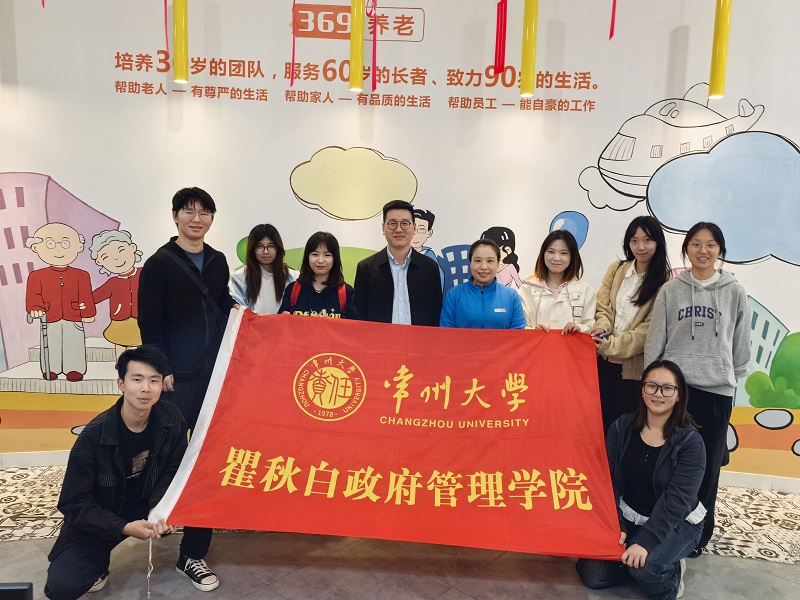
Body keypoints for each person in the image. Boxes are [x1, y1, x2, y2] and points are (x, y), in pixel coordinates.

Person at [137, 186, 236, 590]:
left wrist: (247, 319)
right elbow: (149, 322)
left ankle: (192, 553)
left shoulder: (217, 260)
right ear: (175, 216)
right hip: (177, 380)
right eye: (189, 211)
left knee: (208, 461)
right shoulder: (158, 264)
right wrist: (162, 369)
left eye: (204, 212)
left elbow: (222, 303)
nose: (197, 219)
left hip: (216, 376)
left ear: (212, 218)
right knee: (161, 458)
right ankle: (120, 536)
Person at [44, 346, 190, 599]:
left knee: (208, 487)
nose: (146, 388)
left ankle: (192, 558)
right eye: (137, 379)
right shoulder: (93, 437)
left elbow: (175, 468)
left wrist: (160, 508)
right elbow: (73, 502)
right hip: (104, 512)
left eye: (154, 380)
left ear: (161, 385)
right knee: (62, 586)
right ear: (121, 384)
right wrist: (122, 527)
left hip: (146, 501)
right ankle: (98, 561)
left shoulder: (172, 417)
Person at [645, 222, 750, 557]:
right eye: (695, 244)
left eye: (711, 244)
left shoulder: (734, 291)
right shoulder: (671, 290)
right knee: (669, 461)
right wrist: (653, 381)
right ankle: (665, 526)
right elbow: (656, 339)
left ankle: (698, 534)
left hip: (717, 390)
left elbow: (742, 341)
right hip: (676, 389)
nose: (703, 251)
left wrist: (732, 373)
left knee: (707, 466)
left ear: (720, 250)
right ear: (686, 249)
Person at [576, 360, 706, 600]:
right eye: (652, 386)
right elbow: (607, 481)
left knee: (647, 568)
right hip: (630, 514)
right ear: (642, 389)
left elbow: (677, 501)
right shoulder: (621, 427)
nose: (658, 394)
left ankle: (670, 570)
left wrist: (646, 542)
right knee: (593, 574)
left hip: (677, 522)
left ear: (679, 395)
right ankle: (634, 562)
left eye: (668, 388)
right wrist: (617, 524)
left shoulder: (690, 442)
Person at [591, 216, 672, 434]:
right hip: (603, 363)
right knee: (600, 426)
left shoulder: (665, 283)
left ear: (658, 243)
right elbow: (603, 306)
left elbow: (647, 331)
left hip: (634, 371)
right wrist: (602, 329)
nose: (640, 247)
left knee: (626, 430)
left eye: (647, 240)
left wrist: (610, 345)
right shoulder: (617, 269)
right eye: (634, 241)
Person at [25, 222, 97, 382]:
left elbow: (86, 295)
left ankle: (75, 368)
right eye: (50, 244)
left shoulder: (82, 275)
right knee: (51, 342)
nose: (59, 250)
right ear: (36, 247)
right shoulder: (36, 276)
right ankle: (51, 368)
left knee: (74, 342)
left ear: (78, 246)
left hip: (74, 315)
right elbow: (33, 295)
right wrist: (35, 308)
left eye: (65, 243)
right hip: (49, 316)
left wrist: (88, 312)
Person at [354, 200, 443, 326]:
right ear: (383, 228)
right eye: (392, 224)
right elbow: (360, 316)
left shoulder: (430, 268)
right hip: (379, 338)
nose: (399, 229)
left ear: (414, 228)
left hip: (419, 338)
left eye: (405, 223)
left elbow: (436, 314)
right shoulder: (366, 268)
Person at [518, 230, 596, 334]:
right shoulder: (527, 289)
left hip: (571, 345)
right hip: (538, 344)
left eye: (564, 253)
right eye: (551, 252)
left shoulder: (585, 290)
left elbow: (590, 326)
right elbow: (518, 327)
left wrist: (579, 328)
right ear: (543, 254)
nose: (556, 258)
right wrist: (534, 331)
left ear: (572, 257)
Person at [440, 239, 525, 329]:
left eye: (490, 261)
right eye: (478, 261)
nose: (483, 267)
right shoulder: (454, 295)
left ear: (498, 264)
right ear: (470, 263)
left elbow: (517, 333)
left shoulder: (511, 296)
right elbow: (446, 332)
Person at [90, 229, 144, 360]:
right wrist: (82, 303)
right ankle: (120, 361)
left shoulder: (145, 273)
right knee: (119, 340)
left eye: (121, 250)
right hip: (120, 319)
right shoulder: (112, 283)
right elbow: (95, 296)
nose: (116, 259)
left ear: (132, 248)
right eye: (106, 257)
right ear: (99, 262)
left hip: (143, 318)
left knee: (142, 340)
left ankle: (142, 360)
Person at [278, 231, 356, 318]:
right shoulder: (292, 289)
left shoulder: (346, 292)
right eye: (315, 254)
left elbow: (353, 325)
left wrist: (332, 323)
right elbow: (280, 323)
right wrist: (283, 319)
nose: (320, 260)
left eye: (327, 255)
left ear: (335, 258)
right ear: (307, 257)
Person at [229, 224, 298, 315]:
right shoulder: (239, 277)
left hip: (284, 324)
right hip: (251, 324)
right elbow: (237, 311)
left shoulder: (293, 277)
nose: (266, 251)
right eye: (260, 246)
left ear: (278, 248)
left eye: (271, 246)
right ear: (252, 249)